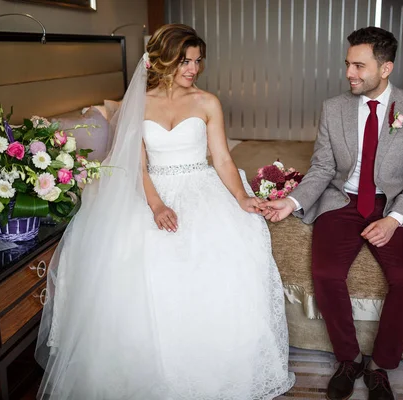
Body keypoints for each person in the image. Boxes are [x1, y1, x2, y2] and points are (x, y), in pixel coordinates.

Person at [35, 24, 295, 400]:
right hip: (153, 190)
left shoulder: (207, 102)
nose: (193, 68)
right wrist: (156, 205)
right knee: (145, 259)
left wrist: (241, 197)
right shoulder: (134, 105)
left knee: (228, 251)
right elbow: (136, 167)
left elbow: (221, 158)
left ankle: (215, 368)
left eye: (197, 60)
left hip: (201, 186)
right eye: (185, 60)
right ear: (163, 59)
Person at [263, 27, 403, 400]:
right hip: (341, 200)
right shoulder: (333, 108)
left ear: (385, 68)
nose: (349, 73)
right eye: (347, 64)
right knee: (325, 272)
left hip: (391, 203)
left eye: (359, 65)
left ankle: (380, 367)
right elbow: (323, 167)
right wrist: (292, 202)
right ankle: (349, 358)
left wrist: (394, 220)